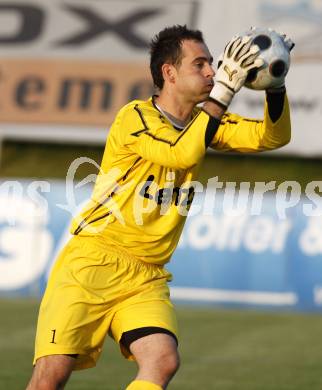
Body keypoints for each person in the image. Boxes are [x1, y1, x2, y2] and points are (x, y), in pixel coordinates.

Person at [27, 25, 292, 390]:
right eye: (199, 65)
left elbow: (273, 136)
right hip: (92, 263)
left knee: (163, 360)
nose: (213, 72)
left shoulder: (205, 124)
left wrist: (275, 84)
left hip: (145, 276)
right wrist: (225, 91)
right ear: (169, 73)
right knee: (50, 377)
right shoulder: (134, 118)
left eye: (212, 64)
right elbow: (179, 153)